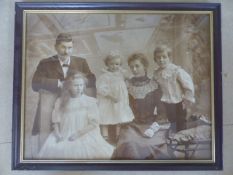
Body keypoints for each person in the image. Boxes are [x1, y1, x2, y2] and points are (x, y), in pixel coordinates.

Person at [31, 33, 96, 148]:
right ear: (56, 47)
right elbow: (35, 84)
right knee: (50, 143)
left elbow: (91, 80)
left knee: (76, 143)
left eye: (70, 48)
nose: (67, 51)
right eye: (63, 47)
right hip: (51, 107)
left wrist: (76, 82)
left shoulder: (81, 62)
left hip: (73, 109)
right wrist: (58, 83)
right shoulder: (45, 63)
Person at [38, 72, 114, 159]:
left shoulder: (89, 101)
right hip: (64, 133)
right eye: (76, 85)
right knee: (57, 149)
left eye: (81, 85)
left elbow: (94, 123)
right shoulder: (61, 101)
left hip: (84, 133)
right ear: (69, 86)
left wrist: (77, 134)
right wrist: (58, 135)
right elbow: (55, 120)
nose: (79, 88)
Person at [112, 53, 168, 159]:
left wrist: (153, 128)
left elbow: (162, 111)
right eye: (131, 67)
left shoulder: (154, 85)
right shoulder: (126, 85)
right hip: (130, 125)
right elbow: (119, 106)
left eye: (137, 66)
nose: (134, 69)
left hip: (150, 124)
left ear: (145, 66)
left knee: (154, 146)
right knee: (128, 145)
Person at [153, 45, 195, 133]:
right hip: (166, 101)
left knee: (181, 120)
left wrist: (187, 98)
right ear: (155, 59)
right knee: (171, 120)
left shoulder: (176, 70)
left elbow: (188, 84)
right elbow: (155, 87)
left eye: (164, 57)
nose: (161, 60)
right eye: (158, 58)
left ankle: (182, 138)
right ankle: (174, 139)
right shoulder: (157, 73)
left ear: (169, 58)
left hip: (179, 101)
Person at [96, 51, 134, 143]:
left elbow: (131, 78)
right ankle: (105, 136)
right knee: (105, 117)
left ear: (120, 64)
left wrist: (128, 79)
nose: (114, 66)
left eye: (117, 64)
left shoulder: (121, 74)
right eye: (111, 64)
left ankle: (118, 135)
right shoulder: (104, 76)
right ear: (107, 64)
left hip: (120, 100)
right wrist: (111, 96)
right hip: (108, 100)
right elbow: (100, 89)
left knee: (118, 117)